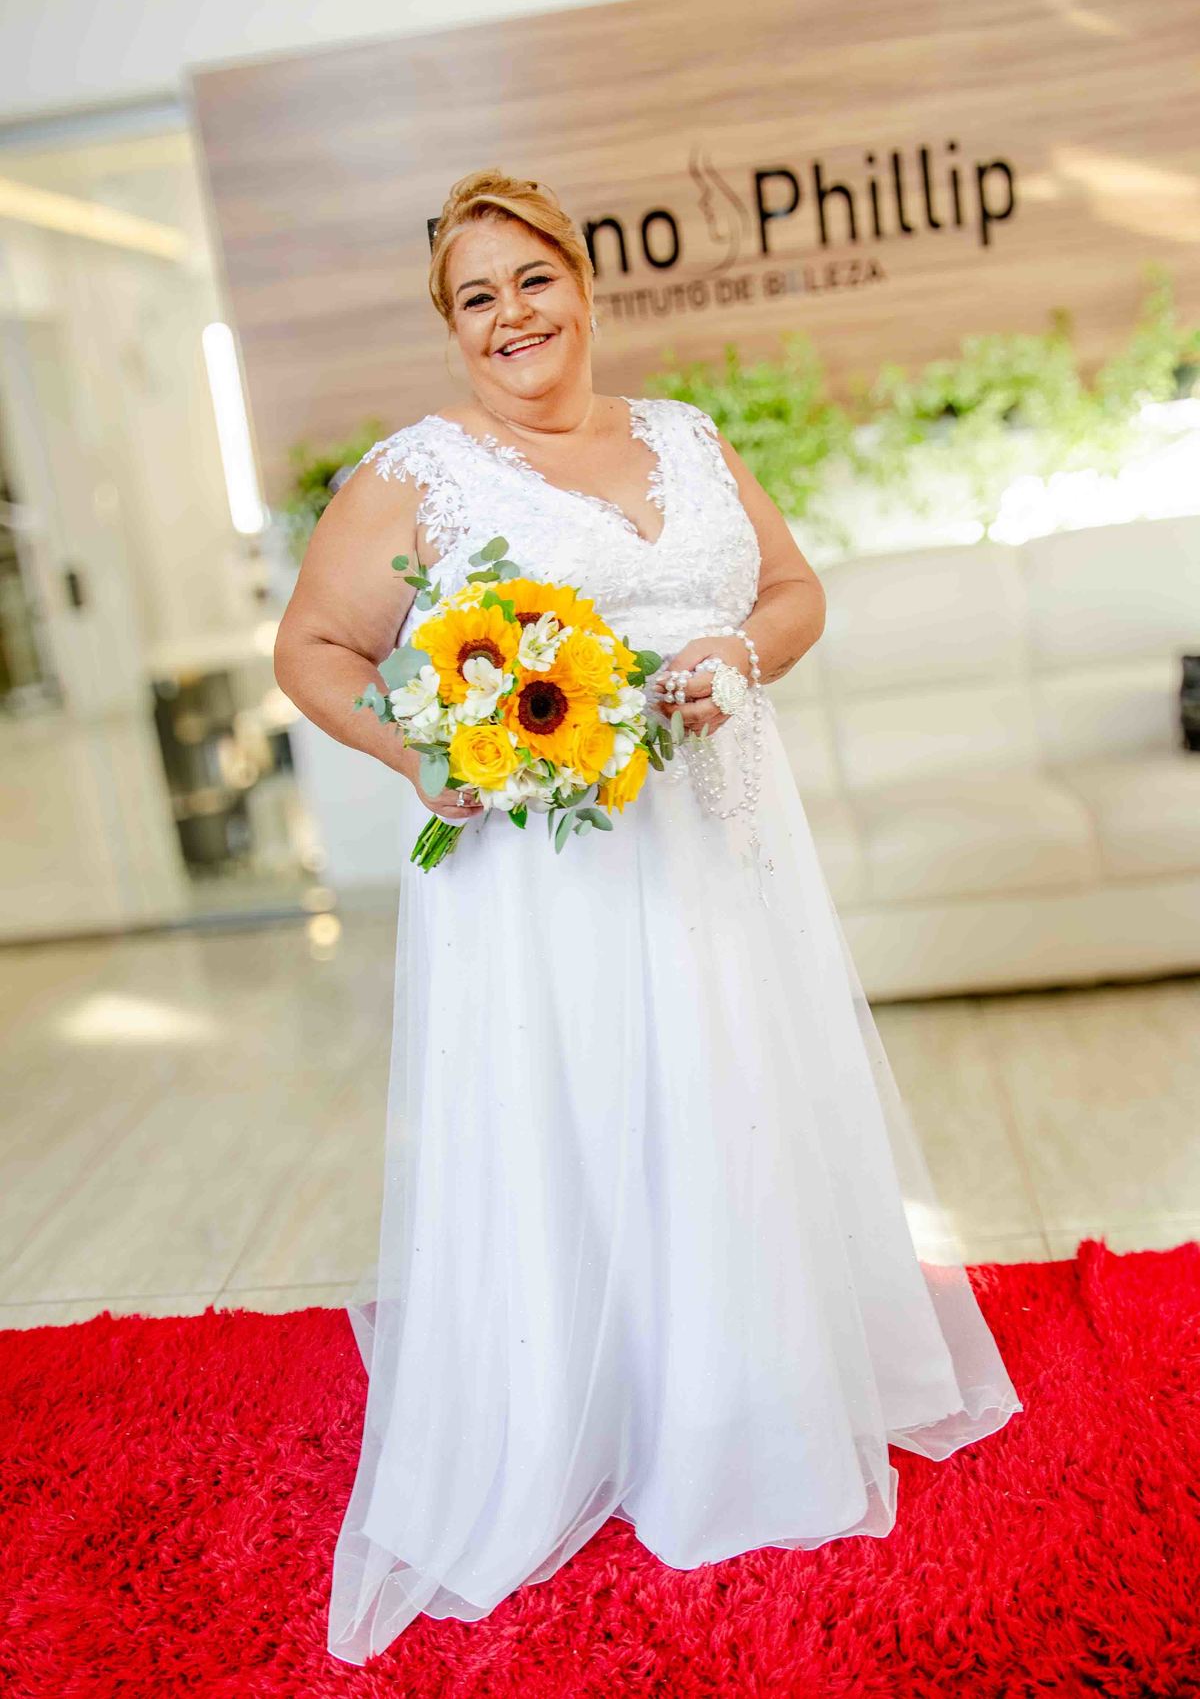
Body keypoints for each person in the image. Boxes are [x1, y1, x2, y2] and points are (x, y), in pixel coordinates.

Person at [272, 168, 1023, 1667]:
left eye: (532, 280)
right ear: (449, 326)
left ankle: (754, 1386)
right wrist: (417, 752)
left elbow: (795, 591)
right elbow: (315, 647)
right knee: (605, 1106)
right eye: (475, 297)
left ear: (584, 283)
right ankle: (601, 1402)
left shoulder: (685, 435)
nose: (511, 316)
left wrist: (740, 649)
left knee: (736, 1094)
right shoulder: (419, 471)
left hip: (725, 841)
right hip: (547, 879)